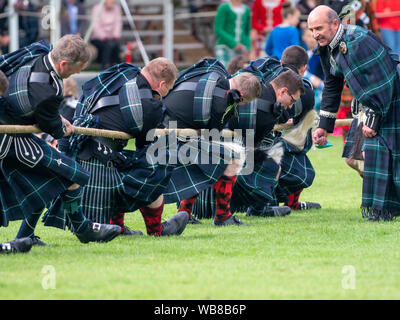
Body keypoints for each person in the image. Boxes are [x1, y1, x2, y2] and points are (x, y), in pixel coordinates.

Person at [0, 35, 122, 253]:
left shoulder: (36, 52)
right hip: (8, 139)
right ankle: (83, 228)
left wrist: (56, 119)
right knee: (71, 174)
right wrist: (60, 125)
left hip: (13, 128)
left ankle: (26, 236)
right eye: (75, 70)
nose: (74, 75)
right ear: (63, 64)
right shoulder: (48, 92)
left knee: (44, 184)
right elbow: (53, 127)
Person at [45, 57, 190, 237]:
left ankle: (121, 228)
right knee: (159, 163)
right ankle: (156, 230)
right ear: (161, 84)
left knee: (123, 160)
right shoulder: (149, 105)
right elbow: (145, 146)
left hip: (76, 161)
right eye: (168, 89)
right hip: (97, 170)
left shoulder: (118, 75)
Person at [309, 5, 400, 221]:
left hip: (392, 97)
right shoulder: (327, 45)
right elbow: (332, 84)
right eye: (311, 30)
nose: (315, 34)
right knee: (360, 156)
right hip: (374, 101)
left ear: (334, 24)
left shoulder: (357, 42)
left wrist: (373, 120)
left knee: (384, 155)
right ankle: (385, 209)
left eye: (319, 28)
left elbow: (382, 82)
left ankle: (384, 210)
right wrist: (324, 125)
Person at [162, 58, 261, 226]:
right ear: (241, 96)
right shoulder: (222, 101)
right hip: (172, 139)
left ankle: (185, 213)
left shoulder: (212, 76)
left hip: (165, 129)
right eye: (244, 103)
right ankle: (222, 217)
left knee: (208, 158)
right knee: (232, 158)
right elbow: (212, 133)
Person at [214, 0, 251, 67]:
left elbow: (247, 32)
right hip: (224, 47)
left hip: (241, 49)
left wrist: (247, 47)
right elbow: (218, 29)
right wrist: (234, 43)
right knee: (224, 72)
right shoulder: (224, 8)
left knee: (238, 74)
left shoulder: (246, 9)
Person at [90, 0, 122, 70]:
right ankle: (105, 67)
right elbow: (95, 26)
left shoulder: (117, 8)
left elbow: (118, 23)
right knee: (108, 45)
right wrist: (104, 36)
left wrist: (115, 36)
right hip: (98, 38)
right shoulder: (96, 8)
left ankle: (116, 67)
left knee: (114, 45)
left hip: (112, 38)